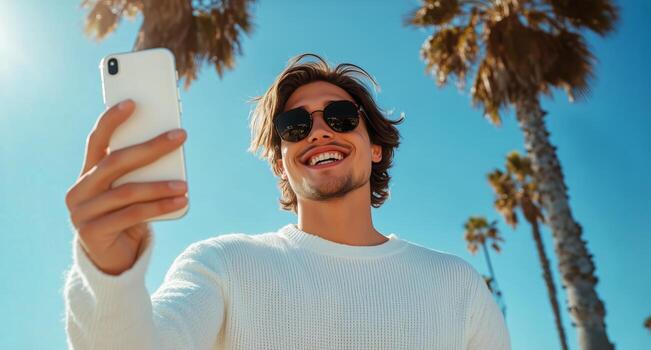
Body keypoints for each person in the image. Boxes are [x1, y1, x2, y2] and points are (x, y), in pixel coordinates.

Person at [63, 53, 511, 349]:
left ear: (376, 146)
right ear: (281, 163)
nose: (319, 131)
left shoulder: (457, 285)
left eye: (340, 117)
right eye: (295, 125)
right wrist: (109, 274)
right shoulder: (223, 264)